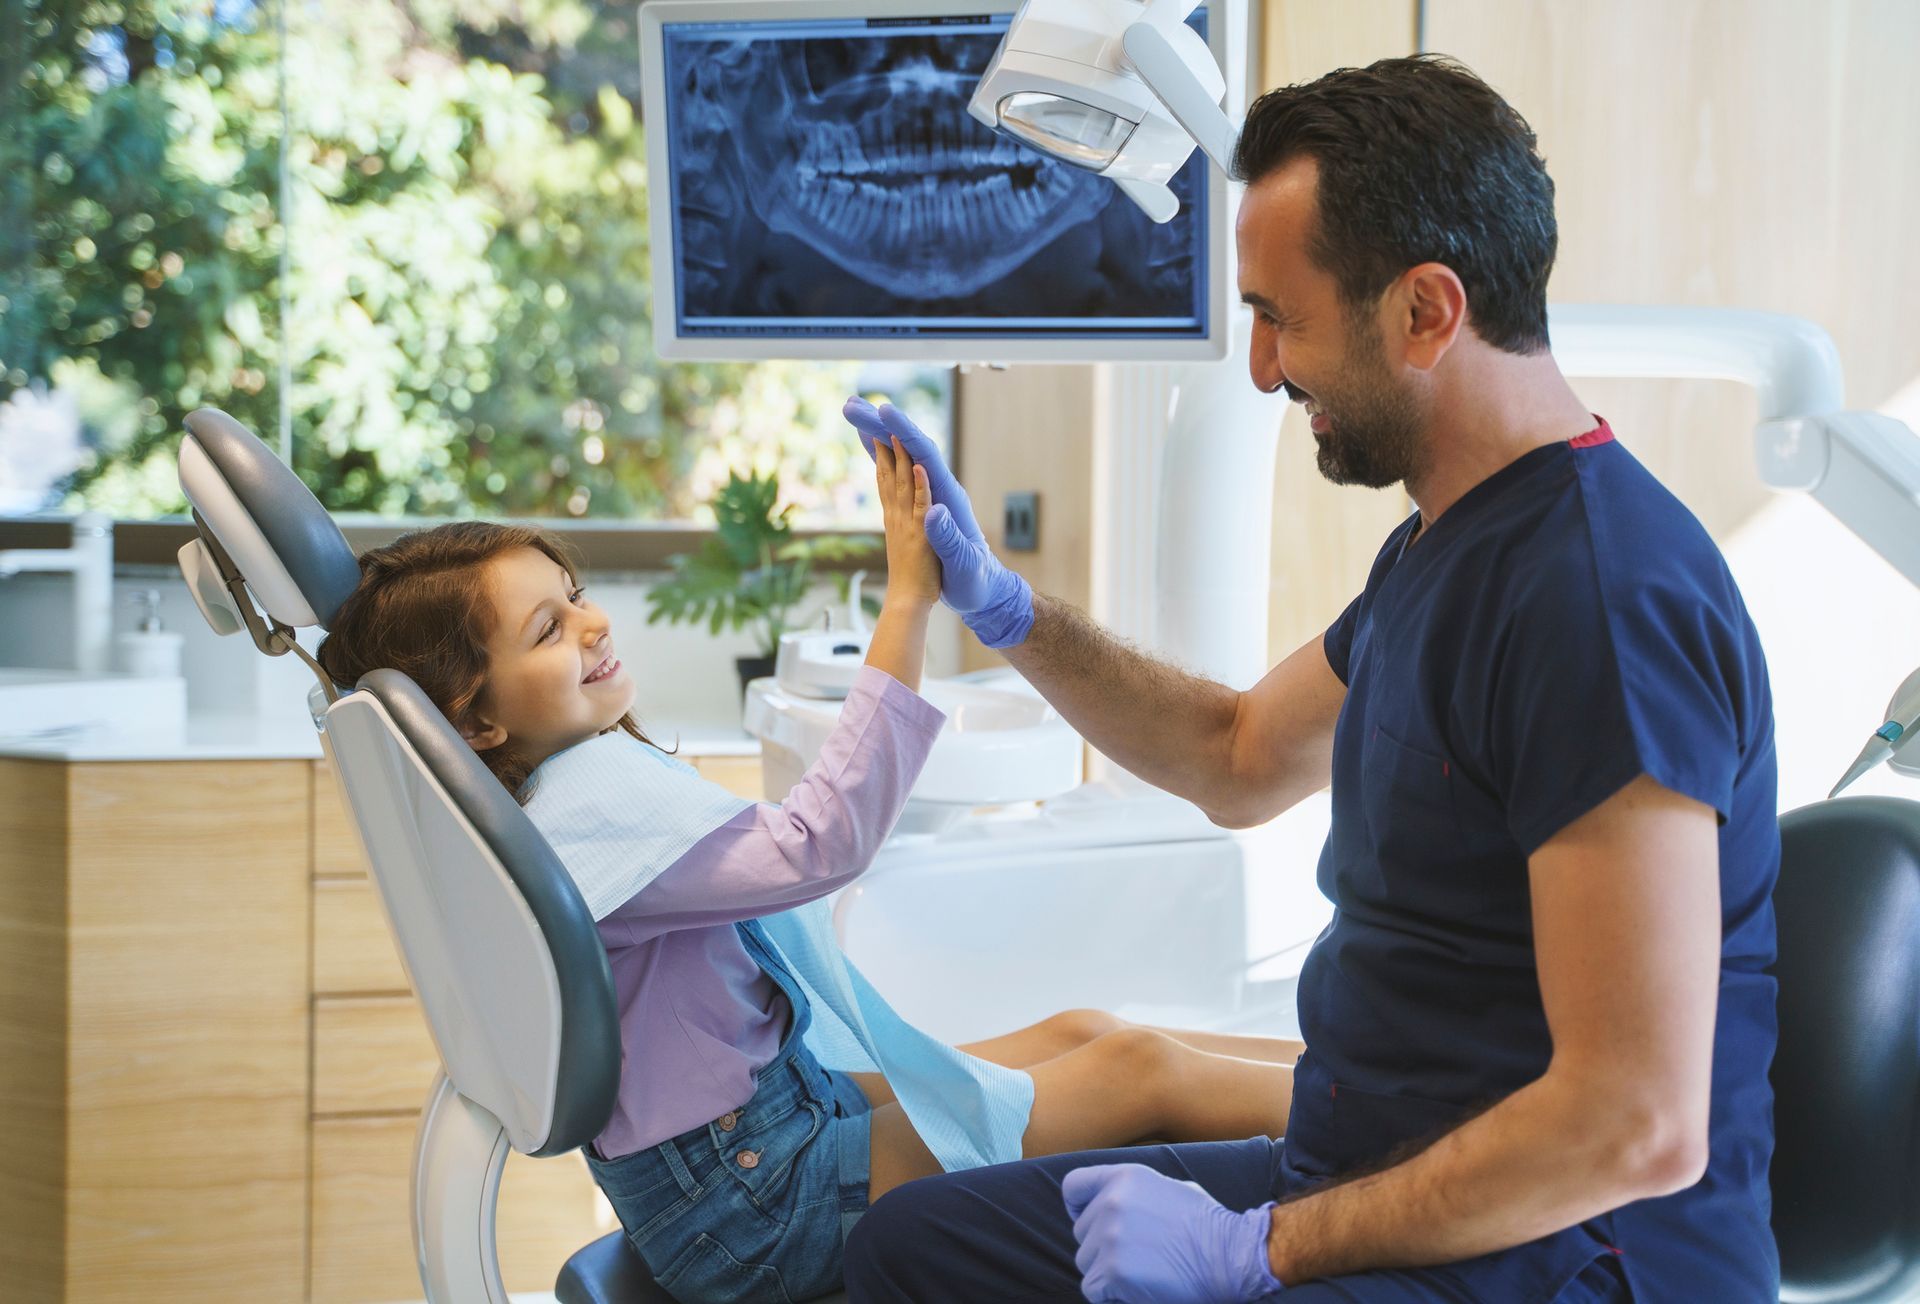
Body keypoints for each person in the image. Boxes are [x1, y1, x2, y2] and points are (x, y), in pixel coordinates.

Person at [840, 53, 1779, 1304]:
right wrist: (1008, 610)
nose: (1265, 369)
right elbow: (1234, 754)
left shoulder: (1598, 599)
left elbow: (1633, 1121)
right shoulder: (1441, 546)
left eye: (1285, 316)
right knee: (912, 1249)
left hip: (1561, 1257)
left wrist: (1254, 1250)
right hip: (1374, 1173)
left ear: (1427, 311)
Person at [314, 435, 1315, 1304]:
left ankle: (1350, 1070)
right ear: (478, 719)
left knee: (1088, 1032)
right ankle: (1385, 1115)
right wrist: (910, 596)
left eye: (573, 598)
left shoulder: (564, 790)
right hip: (754, 1199)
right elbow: (822, 840)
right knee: (1133, 1069)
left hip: (758, 1142)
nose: (591, 623)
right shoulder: (585, 812)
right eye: (547, 630)